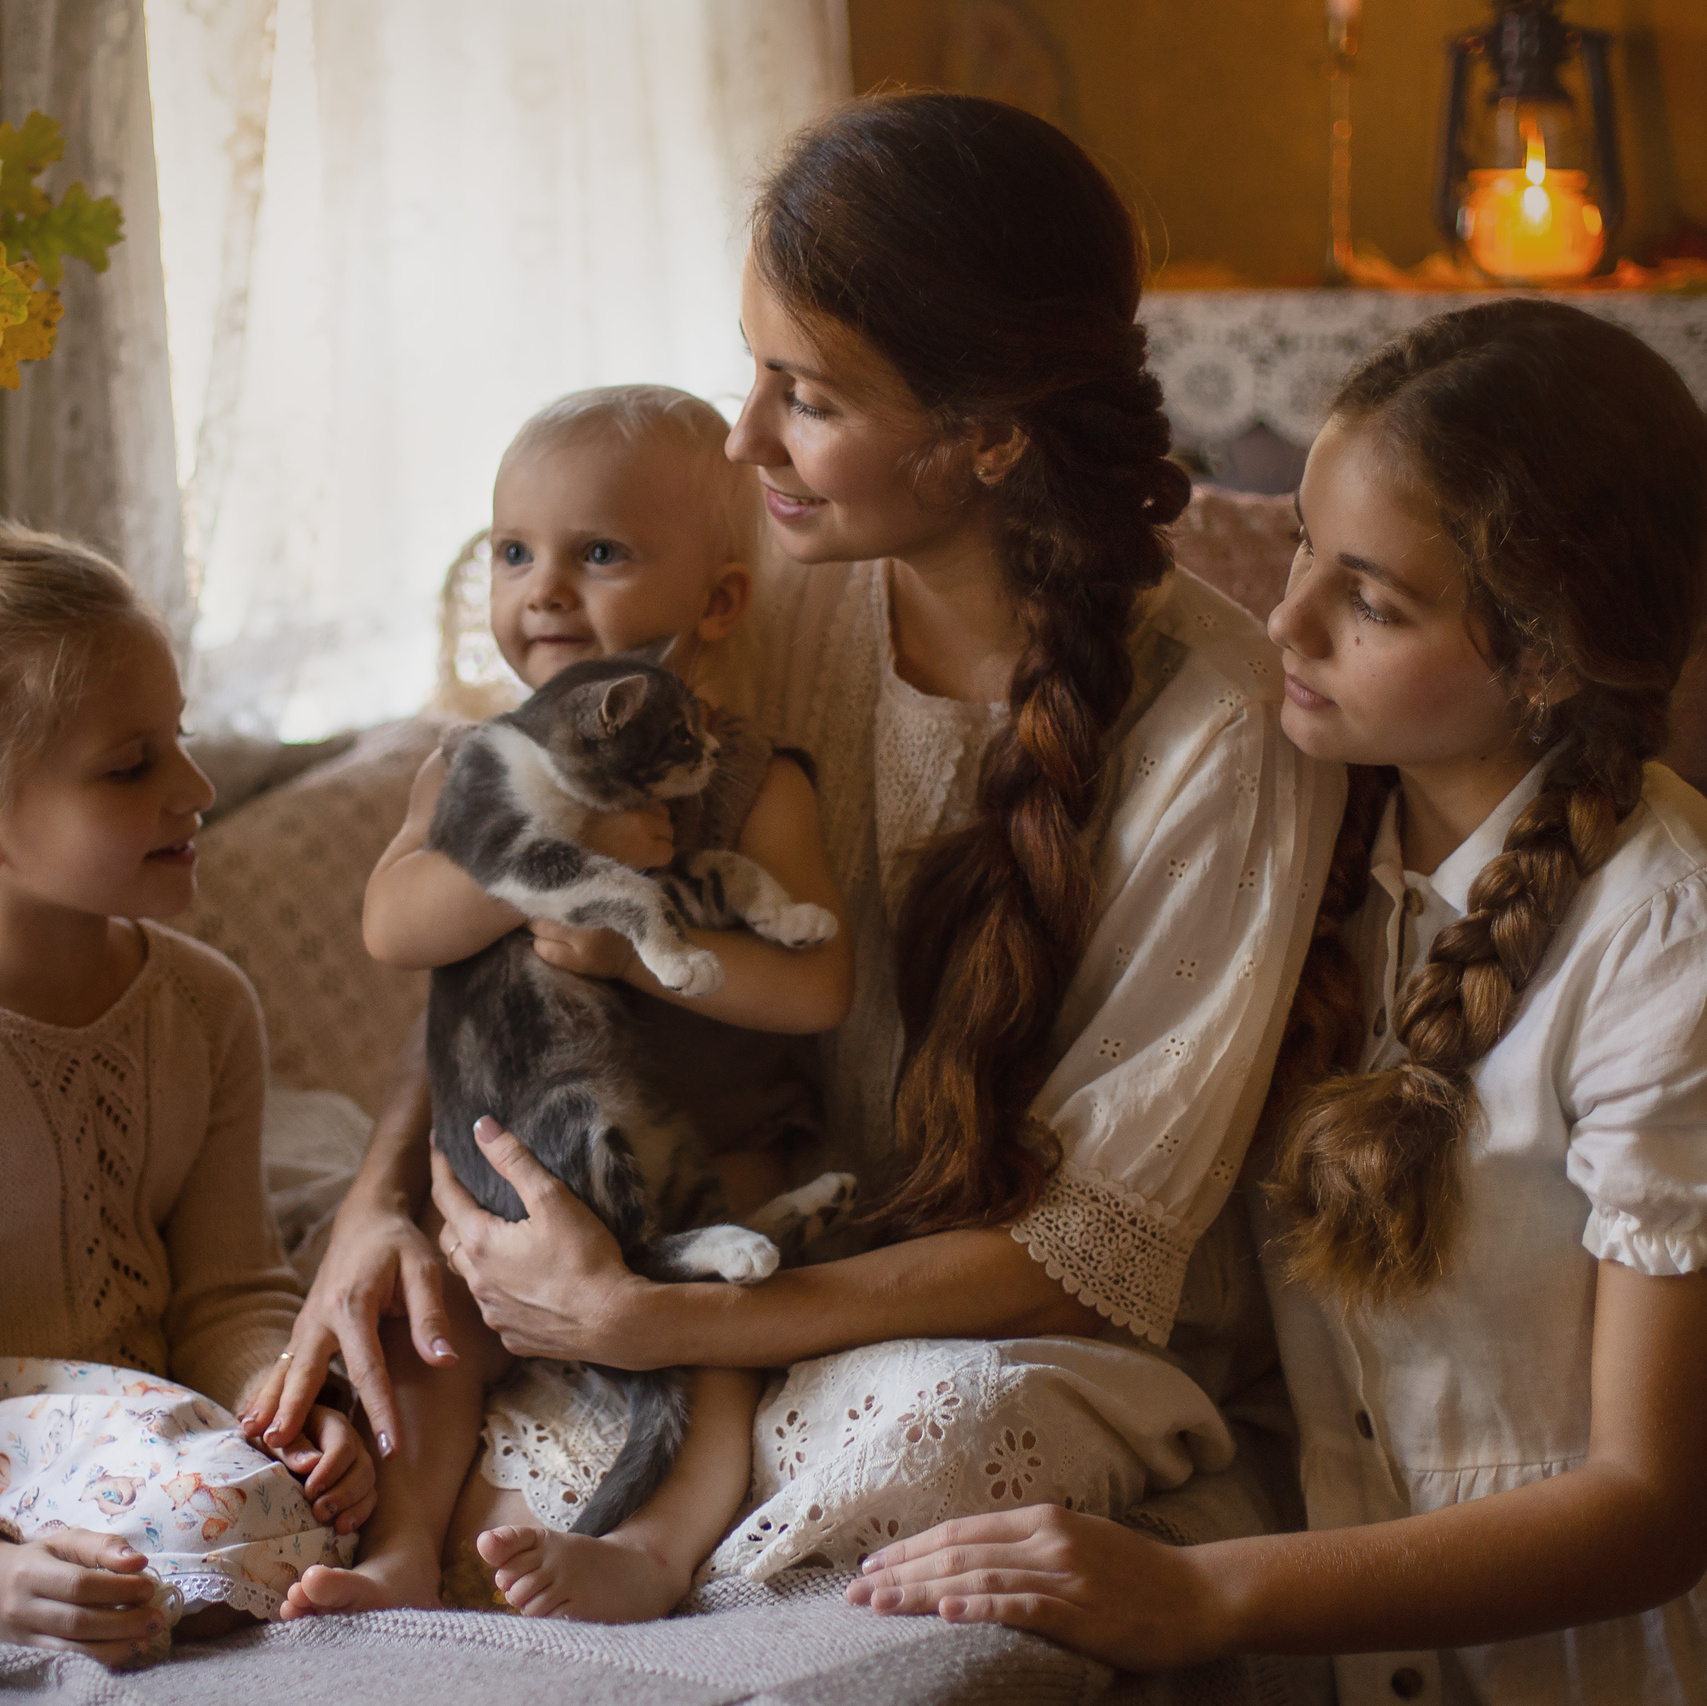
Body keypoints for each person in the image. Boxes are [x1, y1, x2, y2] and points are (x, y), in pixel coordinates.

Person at [251, 92, 1341, 1601]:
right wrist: (384, 1206)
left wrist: (662, 1327)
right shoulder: (740, 585)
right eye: (749, 367)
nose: (743, 434)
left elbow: (1087, 1251)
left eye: (805, 396)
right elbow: (514, 893)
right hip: (700, 1244)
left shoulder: (1218, 731)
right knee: (365, 1399)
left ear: (985, 439)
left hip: (987, 1330)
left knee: (935, 1436)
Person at [848, 299, 1707, 1704]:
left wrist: (1198, 1591)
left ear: (1546, 658)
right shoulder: (1283, 827)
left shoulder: (1659, 944)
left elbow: (1652, 1504)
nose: (1282, 615)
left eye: (1367, 599)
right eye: (1301, 540)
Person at [271, 384, 854, 1621]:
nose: (543, 590)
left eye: (600, 553)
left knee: (714, 1329)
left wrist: (629, 956)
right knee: (439, 1316)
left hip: (702, 1152)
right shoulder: (474, 763)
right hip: (517, 1156)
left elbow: (816, 987)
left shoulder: (748, 779)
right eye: (513, 551)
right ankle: (403, 1547)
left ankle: (651, 1545)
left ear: (718, 599)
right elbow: (394, 921)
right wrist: (568, 864)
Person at [0, 525, 374, 1665]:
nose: (197, 789)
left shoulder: (206, 1005)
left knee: (388, 1414)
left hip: (157, 1428)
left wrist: (286, 1404)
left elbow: (228, 1291)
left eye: (183, 741)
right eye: (132, 764)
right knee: (215, 1508)